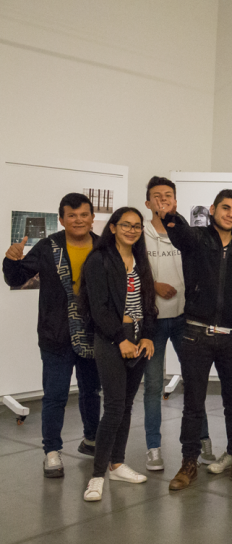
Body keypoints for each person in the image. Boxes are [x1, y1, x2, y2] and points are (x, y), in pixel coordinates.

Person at [153, 189, 232, 491]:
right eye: (225, 208)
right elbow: (178, 233)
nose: (230, 214)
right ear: (213, 209)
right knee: (193, 405)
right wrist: (170, 215)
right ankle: (188, 463)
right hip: (195, 335)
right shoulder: (196, 239)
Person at [3, 193, 101, 478]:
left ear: (92, 218)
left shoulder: (102, 247)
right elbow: (16, 278)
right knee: (55, 396)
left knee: (91, 392)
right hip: (55, 334)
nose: (78, 220)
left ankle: (92, 439)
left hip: (93, 333)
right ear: (61, 219)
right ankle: (52, 452)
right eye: (72, 215)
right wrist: (11, 260)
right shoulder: (48, 246)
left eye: (83, 215)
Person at [80, 207, 157, 501]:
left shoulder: (140, 259)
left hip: (138, 336)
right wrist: (120, 338)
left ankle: (117, 464)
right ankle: (97, 476)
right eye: (126, 225)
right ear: (112, 227)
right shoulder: (98, 259)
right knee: (113, 407)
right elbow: (98, 307)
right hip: (112, 338)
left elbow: (148, 302)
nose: (131, 230)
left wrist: (147, 335)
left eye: (137, 226)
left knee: (125, 406)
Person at [142, 176, 214, 472]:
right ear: (148, 203)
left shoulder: (188, 234)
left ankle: (204, 440)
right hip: (153, 322)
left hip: (186, 319)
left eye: (168, 195)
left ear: (175, 201)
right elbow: (128, 273)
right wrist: (154, 285)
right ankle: (153, 446)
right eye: (157, 196)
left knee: (195, 383)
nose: (162, 200)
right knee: (153, 386)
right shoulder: (140, 234)